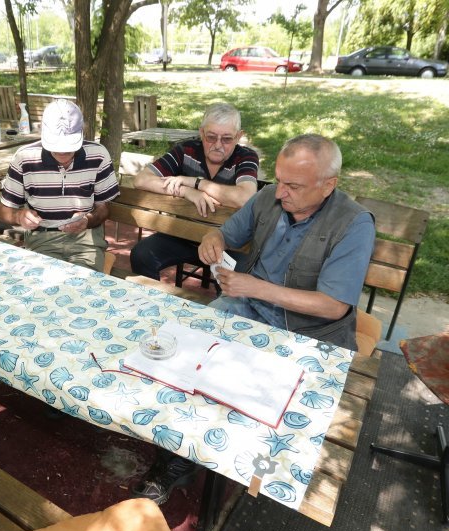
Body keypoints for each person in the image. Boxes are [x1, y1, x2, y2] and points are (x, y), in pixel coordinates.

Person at [132, 133, 375, 504]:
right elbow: (224, 234)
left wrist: (255, 287)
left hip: (309, 331)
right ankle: (175, 457)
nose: (280, 193)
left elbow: (333, 306)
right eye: (279, 180)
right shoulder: (268, 197)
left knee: (268, 406)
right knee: (183, 359)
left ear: (329, 185)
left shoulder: (353, 224)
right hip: (247, 308)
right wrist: (212, 240)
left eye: (294, 185)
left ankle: (246, 469)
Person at [129, 102, 259, 280]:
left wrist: (195, 182)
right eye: (211, 137)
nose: (218, 145)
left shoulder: (246, 157)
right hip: (183, 234)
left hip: (228, 243)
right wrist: (186, 192)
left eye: (227, 139)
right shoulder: (186, 150)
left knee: (239, 279)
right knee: (141, 255)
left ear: (238, 137)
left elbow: (244, 197)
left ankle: (218, 309)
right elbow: (141, 179)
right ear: (201, 132)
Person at [0, 99, 120, 271]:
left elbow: (104, 208)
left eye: (69, 145)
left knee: (84, 286)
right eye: (56, 144)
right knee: (41, 287)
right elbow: (2, 210)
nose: (62, 151)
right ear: (43, 133)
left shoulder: (98, 155)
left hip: (86, 239)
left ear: (81, 133)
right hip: (42, 239)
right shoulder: (24, 158)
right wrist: (18, 217)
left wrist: (88, 220)